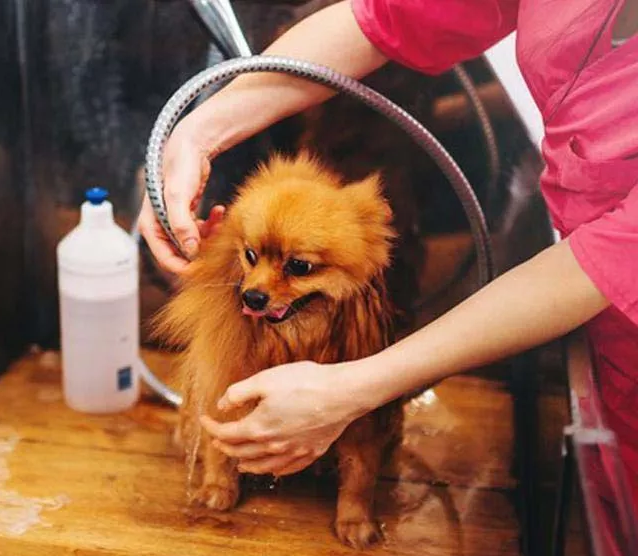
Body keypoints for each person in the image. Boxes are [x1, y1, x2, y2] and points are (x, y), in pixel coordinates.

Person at [137, 0, 637, 497]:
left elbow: (604, 259)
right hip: (591, 331)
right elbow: (389, 17)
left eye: (299, 268)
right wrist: (197, 135)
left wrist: (357, 387)